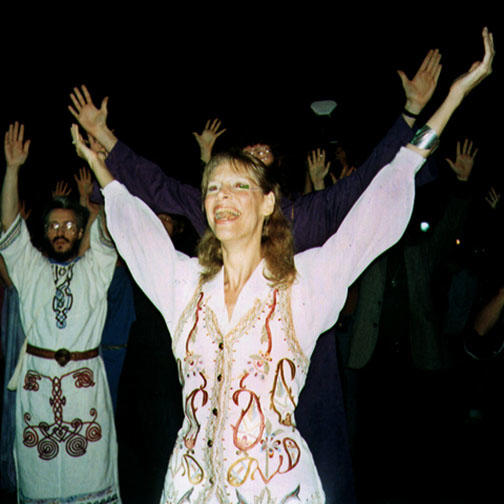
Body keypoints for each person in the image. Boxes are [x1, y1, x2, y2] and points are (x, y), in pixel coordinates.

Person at [71, 28, 494, 503]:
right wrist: (104, 161)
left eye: (240, 185)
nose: (221, 196)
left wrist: (446, 102)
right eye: (214, 187)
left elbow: (385, 188)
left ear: (270, 199)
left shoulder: (305, 280)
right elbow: (138, 221)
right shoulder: (184, 283)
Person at [0, 122, 120, 503]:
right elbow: (8, 225)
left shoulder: (95, 267)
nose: (61, 231)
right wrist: (13, 169)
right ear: (45, 231)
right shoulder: (31, 267)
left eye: (69, 225)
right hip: (38, 389)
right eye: (53, 225)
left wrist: (97, 168)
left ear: (80, 227)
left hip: (85, 393)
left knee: (91, 477)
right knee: (38, 479)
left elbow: (107, 221)